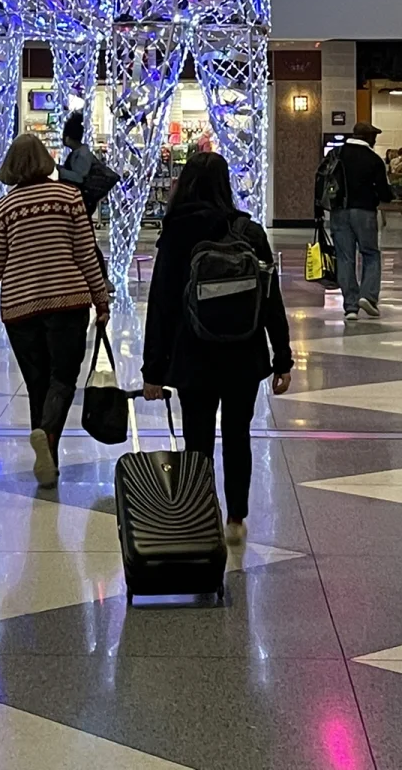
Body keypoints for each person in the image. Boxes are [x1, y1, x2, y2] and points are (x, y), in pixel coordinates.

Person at [141, 151, 293, 544]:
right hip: (244, 353)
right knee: (238, 434)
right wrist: (283, 359)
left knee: (198, 438)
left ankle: (200, 514)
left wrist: (152, 370)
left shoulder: (176, 232)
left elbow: (161, 304)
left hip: (192, 353)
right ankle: (236, 518)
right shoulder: (249, 231)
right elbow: (272, 300)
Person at [0, 134, 109, 487]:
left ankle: (47, 461)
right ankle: (48, 437)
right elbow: (85, 253)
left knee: (38, 384)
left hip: (20, 307)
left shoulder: (5, 207)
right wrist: (101, 299)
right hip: (67, 302)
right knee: (62, 379)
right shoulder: (69, 197)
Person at [329, 121, 394, 320]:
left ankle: (350, 306)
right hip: (364, 211)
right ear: (368, 138)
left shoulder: (336, 154)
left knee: (345, 257)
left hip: (339, 211)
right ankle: (368, 296)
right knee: (370, 253)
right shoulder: (373, 160)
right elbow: (384, 192)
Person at [56, 109, 94, 191]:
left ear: (68, 138)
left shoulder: (82, 154)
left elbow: (79, 178)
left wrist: (61, 171)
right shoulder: (78, 152)